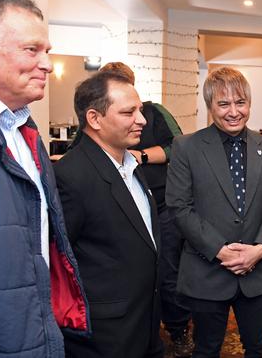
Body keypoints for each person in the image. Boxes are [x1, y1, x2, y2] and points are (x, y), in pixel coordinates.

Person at [0, 0, 90, 356]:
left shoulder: (24, 129)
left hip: (32, 335)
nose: (47, 64)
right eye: (31, 50)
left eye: (47, 50)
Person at [166, 67, 262, 358]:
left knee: (259, 350)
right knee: (206, 349)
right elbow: (180, 208)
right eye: (223, 104)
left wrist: (258, 250)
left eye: (240, 102)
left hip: (257, 274)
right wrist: (222, 251)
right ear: (210, 106)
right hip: (206, 271)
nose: (234, 111)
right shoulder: (186, 147)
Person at [54, 71, 163, 358]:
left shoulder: (130, 163)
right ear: (94, 119)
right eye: (129, 112)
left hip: (144, 322)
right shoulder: (70, 176)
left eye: (139, 110)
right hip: (104, 336)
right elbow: (59, 266)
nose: (142, 120)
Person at [99, 62, 193, 357]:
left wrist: (139, 156)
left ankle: (178, 331)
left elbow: (178, 146)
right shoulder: (97, 120)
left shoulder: (154, 112)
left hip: (161, 205)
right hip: (118, 209)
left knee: (165, 271)